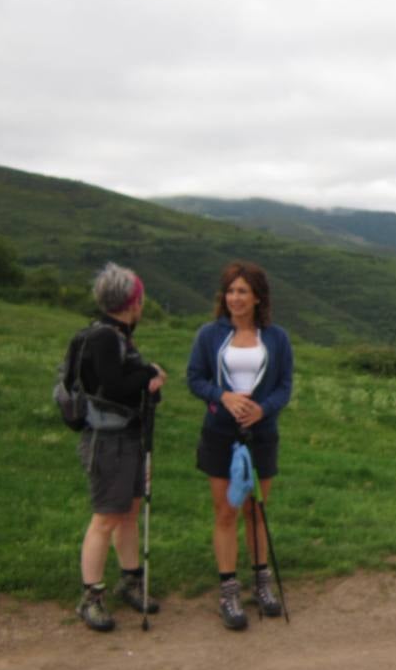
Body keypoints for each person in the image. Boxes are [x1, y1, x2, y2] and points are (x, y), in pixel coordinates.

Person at [187, 261, 294, 630]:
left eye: (242, 291)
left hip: (261, 435)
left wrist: (262, 409)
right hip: (220, 433)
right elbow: (195, 378)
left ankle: (262, 582)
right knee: (227, 511)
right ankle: (228, 589)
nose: (235, 298)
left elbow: (284, 386)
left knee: (256, 510)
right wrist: (223, 397)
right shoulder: (209, 335)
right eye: (230, 291)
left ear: (257, 297)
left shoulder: (277, 338)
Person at [75, 262, 167, 631]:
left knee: (127, 512)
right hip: (108, 441)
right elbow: (113, 387)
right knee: (106, 518)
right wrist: (149, 376)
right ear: (132, 301)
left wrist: (146, 382)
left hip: (126, 436)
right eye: (140, 298)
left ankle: (130, 579)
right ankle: (91, 597)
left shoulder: (115, 335)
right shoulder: (103, 337)